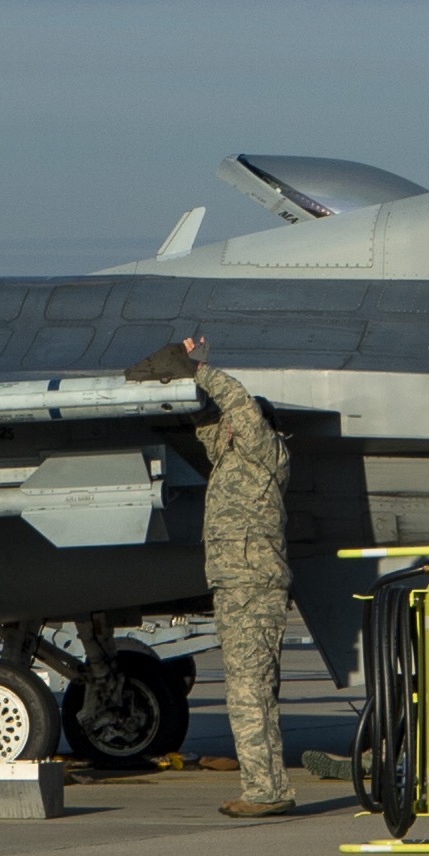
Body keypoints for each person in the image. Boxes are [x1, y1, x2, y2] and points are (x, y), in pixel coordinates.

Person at [133, 337, 291, 817]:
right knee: (249, 688)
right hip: (236, 587)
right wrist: (172, 369)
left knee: (250, 690)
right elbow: (207, 423)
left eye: (229, 428)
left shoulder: (266, 454)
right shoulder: (230, 463)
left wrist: (199, 369)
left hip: (253, 588)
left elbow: (237, 405)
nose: (219, 432)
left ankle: (266, 792)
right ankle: (266, 787)